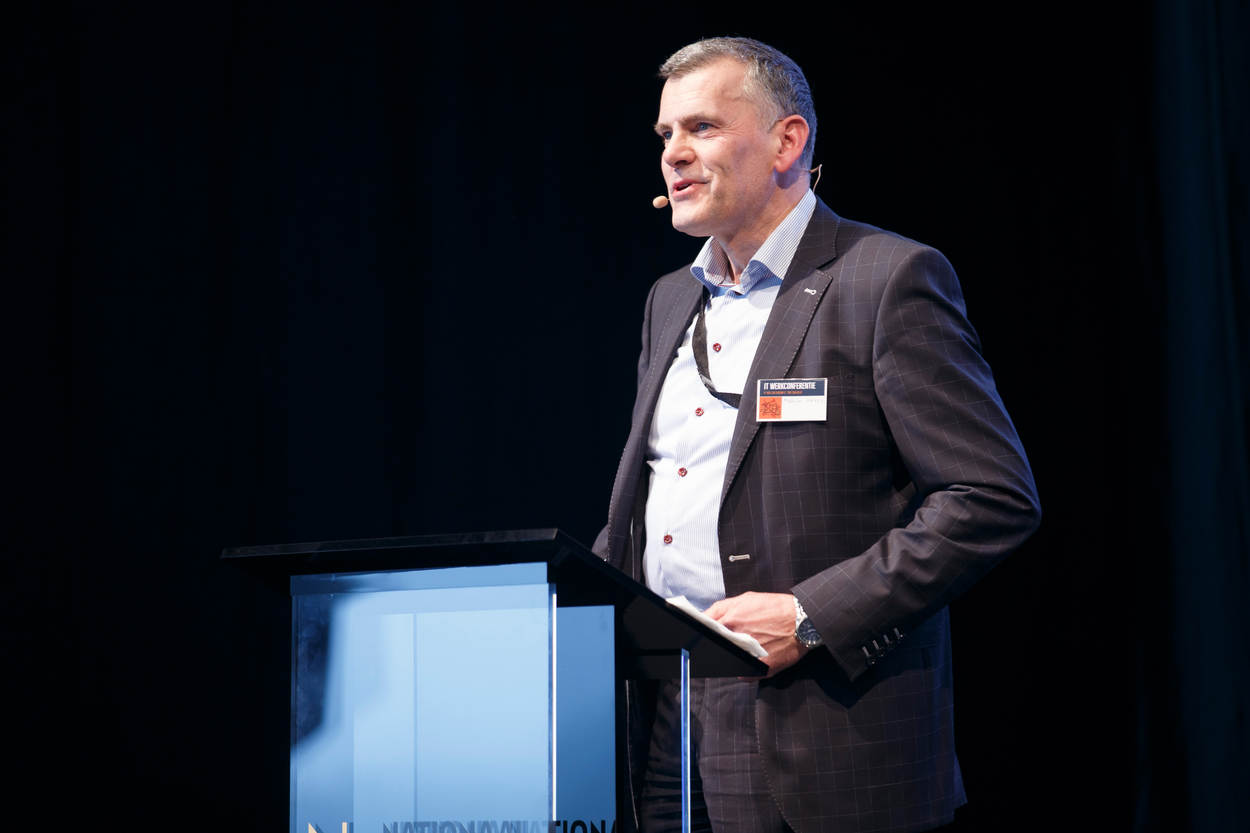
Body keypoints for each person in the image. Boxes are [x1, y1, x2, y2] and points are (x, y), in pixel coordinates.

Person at [592, 37, 1041, 833]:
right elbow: (654, 496)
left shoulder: (885, 278)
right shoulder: (670, 299)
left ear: (787, 142)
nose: (674, 154)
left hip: (819, 725)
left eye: (701, 127)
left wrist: (809, 614)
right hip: (666, 715)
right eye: (665, 135)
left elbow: (990, 497)